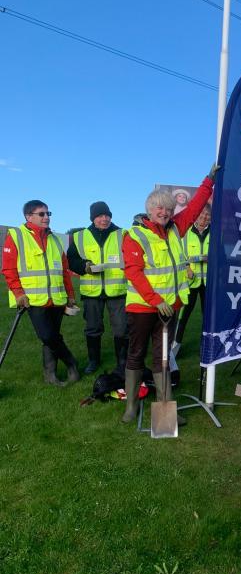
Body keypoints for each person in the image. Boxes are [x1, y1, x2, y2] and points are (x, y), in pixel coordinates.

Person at [120, 165, 218, 424]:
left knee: (163, 357)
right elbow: (134, 273)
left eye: (168, 209)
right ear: (150, 210)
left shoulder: (176, 228)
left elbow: (196, 207)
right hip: (143, 308)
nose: (164, 213)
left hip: (170, 308)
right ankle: (130, 406)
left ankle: (165, 409)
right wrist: (156, 300)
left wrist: (209, 181)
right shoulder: (134, 236)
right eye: (159, 208)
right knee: (136, 353)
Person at [2, 200, 80, 385]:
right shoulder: (16, 235)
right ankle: (71, 363)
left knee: (51, 337)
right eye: (42, 214)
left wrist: (70, 295)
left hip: (57, 298)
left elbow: (64, 270)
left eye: (48, 213)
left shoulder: (54, 239)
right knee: (47, 335)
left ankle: (50, 375)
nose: (46, 217)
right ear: (29, 217)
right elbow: (9, 269)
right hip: (33, 300)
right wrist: (18, 293)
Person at [67, 201, 128, 376]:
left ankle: (122, 362)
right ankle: (94, 360)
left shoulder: (122, 234)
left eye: (107, 215)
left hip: (118, 290)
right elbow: (71, 260)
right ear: (93, 218)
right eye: (100, 216)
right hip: (91, 291)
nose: (104, 219)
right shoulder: (79, 236)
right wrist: (84, 266)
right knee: (93, 327)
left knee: (122, 328)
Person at [172, 201, 211, 355]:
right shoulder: (185, 232)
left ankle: (207, 347)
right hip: (190, 281)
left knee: (208, 317)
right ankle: (174, 347)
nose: (204, 218)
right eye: (202, 214)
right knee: (182, 315)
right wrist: (187, 267)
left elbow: (222, 253)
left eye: (207, 215)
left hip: (208, 282)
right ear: (197, 215)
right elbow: (177, 254)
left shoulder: (215, 232)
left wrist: (212, 258)